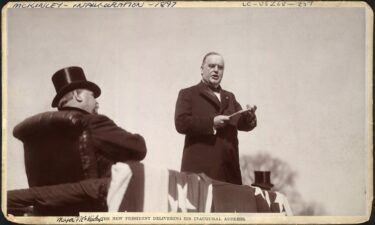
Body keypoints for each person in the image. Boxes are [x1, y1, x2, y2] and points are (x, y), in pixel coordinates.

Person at [174, 52, 257, 185]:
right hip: (200, 174)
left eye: (220, 67)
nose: (216, 70)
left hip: (229, 173)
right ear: (202, 70)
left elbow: (243, 124)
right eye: (212, 66)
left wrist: (249, 116)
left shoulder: (230, 97)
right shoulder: (188, 94)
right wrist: (211, 123)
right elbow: (181, 123)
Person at [51, 66, 147, 177]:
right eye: (92, 96)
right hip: (98, 193)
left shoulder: (45, 132)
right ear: (77, 96)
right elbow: (138, 147)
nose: (97, 103)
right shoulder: (91, 123)